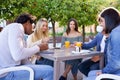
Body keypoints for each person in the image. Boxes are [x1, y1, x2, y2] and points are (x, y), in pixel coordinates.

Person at [0, 13, 53, 80]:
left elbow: (24, 60)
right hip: (7, 73)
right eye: (32, 25)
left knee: (43, 71)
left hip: (10, 70)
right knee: (49, 71)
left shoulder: (18, 34)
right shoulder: (16, 27)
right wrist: (39, 47)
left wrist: (38, 68)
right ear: (27, 23)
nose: (32, 27)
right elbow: (18, 55)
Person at [85, 7, 120, 80]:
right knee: (90, 73)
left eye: (102, 21)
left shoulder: (116, 34)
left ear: (109, 20)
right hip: (114, 71)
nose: (100, 24)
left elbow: (116, 63)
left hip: (116, 74)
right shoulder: (114, 32)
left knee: (88, 77)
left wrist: (104, 71)